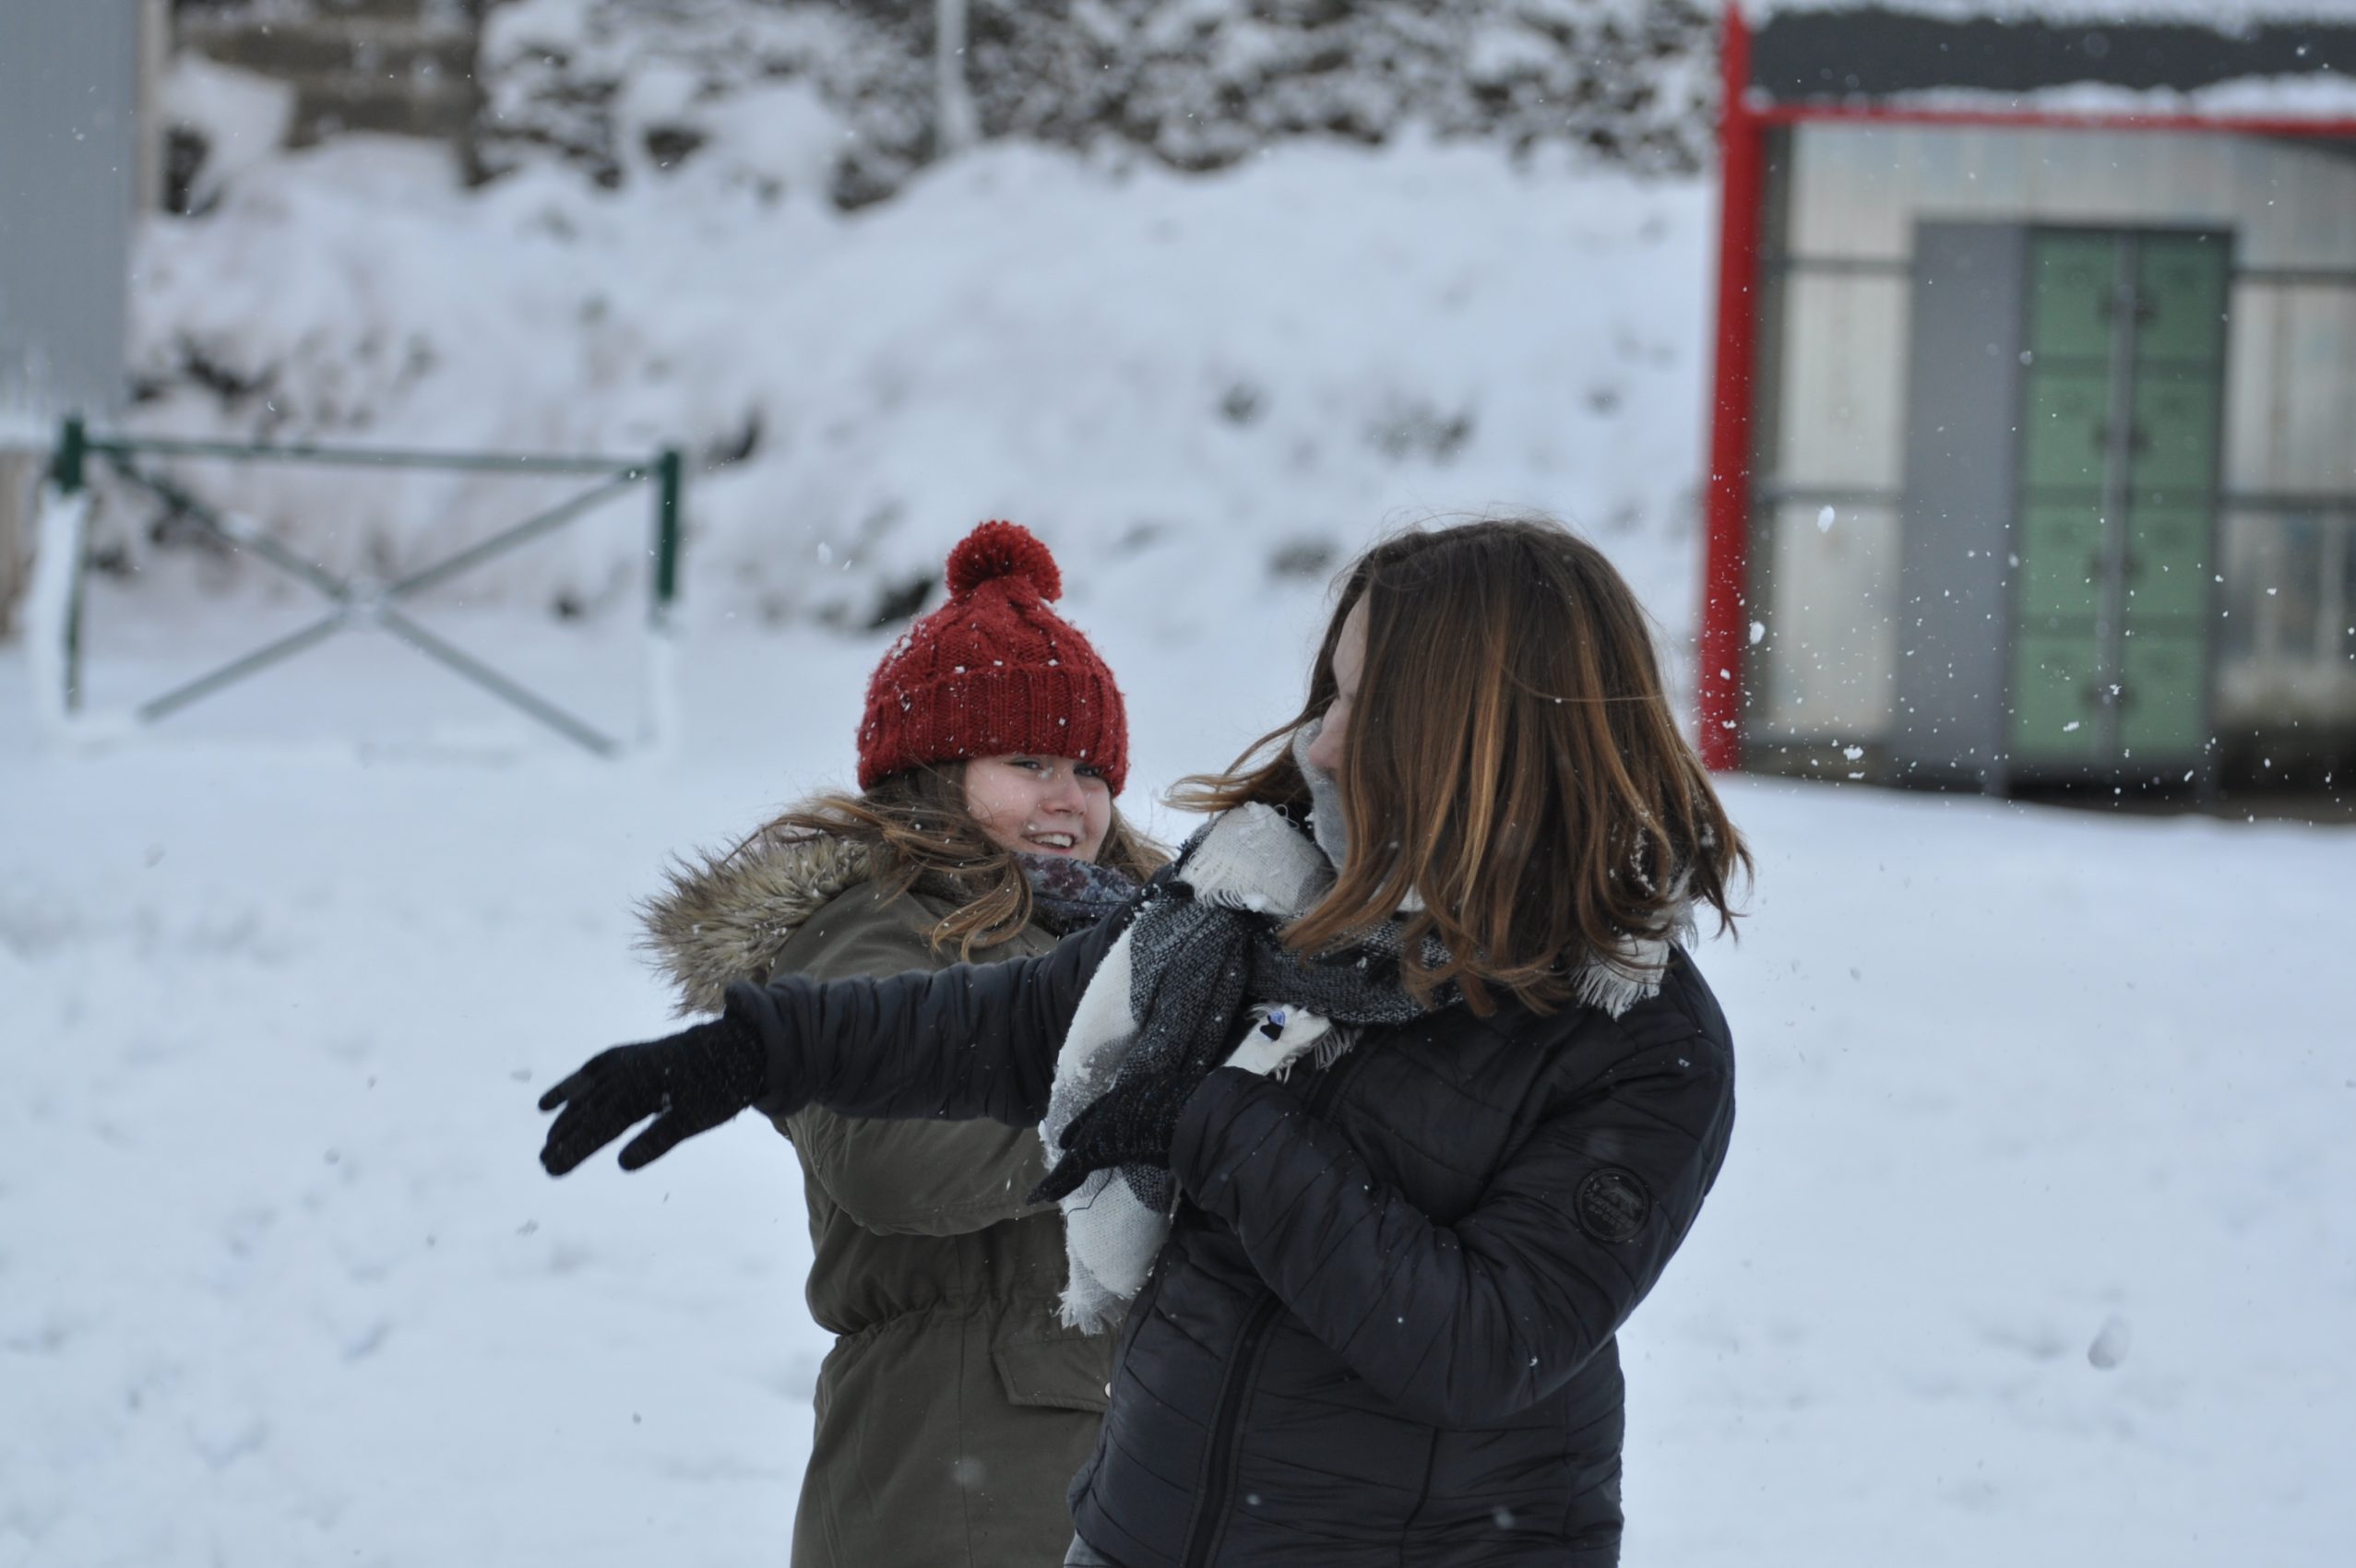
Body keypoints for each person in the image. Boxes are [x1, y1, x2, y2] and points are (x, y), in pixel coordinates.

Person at [543, 517, 1750, 1567]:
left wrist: (1212, 1123)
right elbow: (1022, 1020)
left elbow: (1479, 1344)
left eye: (1363, 705)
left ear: (1481, 734)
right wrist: (768, 1047)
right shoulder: (1259, 909)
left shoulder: (1637, 1040)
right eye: (1325, 696)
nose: (1319, 743)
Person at [633, 519, 1164, 1567]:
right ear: (932, 772)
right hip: (957, 1458)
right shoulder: (868, 928)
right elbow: (897, 1156)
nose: (1068, 798)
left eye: (1088, 769)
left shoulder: (1132, 936)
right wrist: (1142, 1100)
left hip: (1116, 1452)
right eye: (1026, 761)